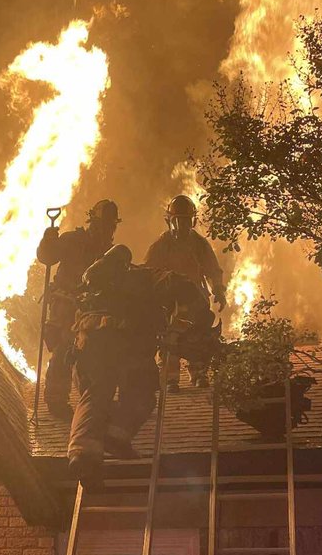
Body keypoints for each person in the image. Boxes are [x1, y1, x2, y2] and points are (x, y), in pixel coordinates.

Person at [66, 245, 216, 488]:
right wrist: (201, 317)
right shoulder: (143, 275)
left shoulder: (91, 285)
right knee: (142, 394)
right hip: (127, 342)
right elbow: (182, 284)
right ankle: (117, 435)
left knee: (95, 394)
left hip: (86, 346)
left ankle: (83, 454)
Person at [36, 199, 120, 420]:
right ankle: (56, 400)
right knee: (64, 349)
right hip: (66, 305)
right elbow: (47, 257)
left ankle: (93, 400)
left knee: (94, 354)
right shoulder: (73, 240)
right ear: (93, 223)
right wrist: (48, 240)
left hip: (92, 309)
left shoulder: (110, 252)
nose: (107, 231)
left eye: (111, 226)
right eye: (103, 225)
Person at [144, 194, 227, 391]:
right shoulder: (161, 244)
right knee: (170, 337)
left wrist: (218, 289)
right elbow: (148, 271)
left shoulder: (199, 244)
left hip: (197, 297)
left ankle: (199, 373)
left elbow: (212, 269)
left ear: (193, 221)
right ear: (170, 221)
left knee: (199, 335)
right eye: (178, 220)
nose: (181, 225)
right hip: (170, 298)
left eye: (186, 220)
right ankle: (170, 377)